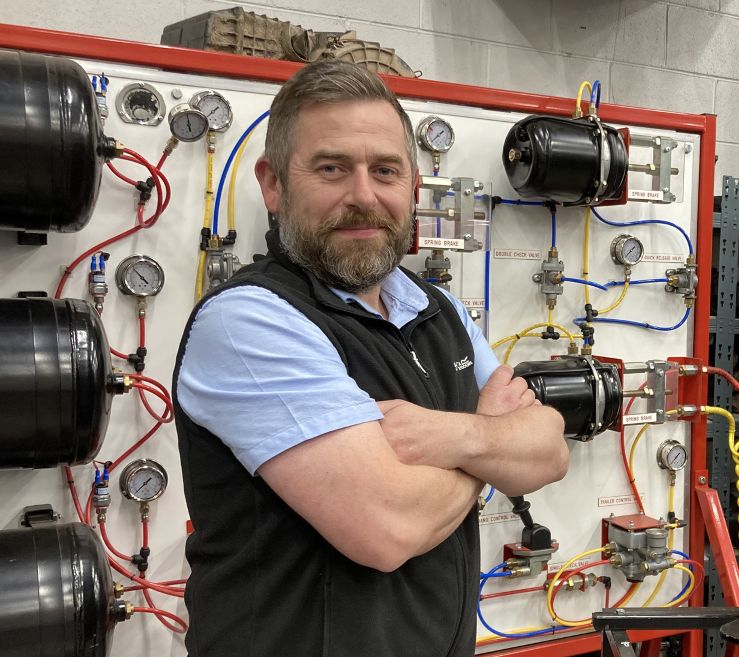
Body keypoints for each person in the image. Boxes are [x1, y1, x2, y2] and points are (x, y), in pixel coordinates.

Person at [173, 59, 568, 657]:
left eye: (385, 170)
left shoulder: (439, 310)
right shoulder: (249, 319)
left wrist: (457, 438)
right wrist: (491, 438)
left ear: (412, 185)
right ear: (273, 184)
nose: (363, 196)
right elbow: (388, 528)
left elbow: (550, 449)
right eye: (332, 169)